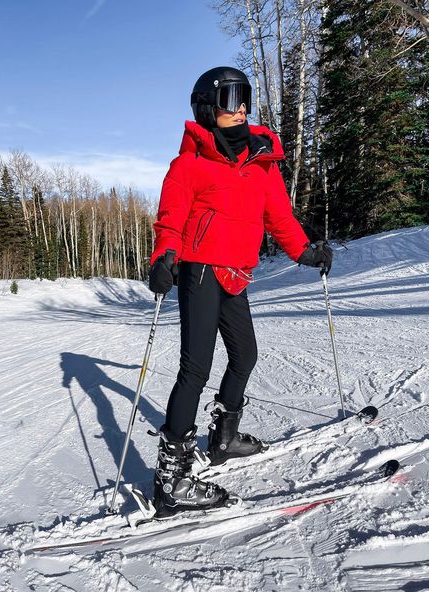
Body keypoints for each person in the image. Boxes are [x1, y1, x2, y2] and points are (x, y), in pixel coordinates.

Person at [148, 66, 333, 517]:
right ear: (209, 108)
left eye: (244, 96)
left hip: (237, 272)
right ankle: (170, 479)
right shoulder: (190, 163)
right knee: (195, 369)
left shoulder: (262, 160)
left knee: (245, 355)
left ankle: (224, 438)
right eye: (231, 98)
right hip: (201, 270)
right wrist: (163, 256)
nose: (241, 106)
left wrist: (303, 251)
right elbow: (170, 218)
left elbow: (279, 218)